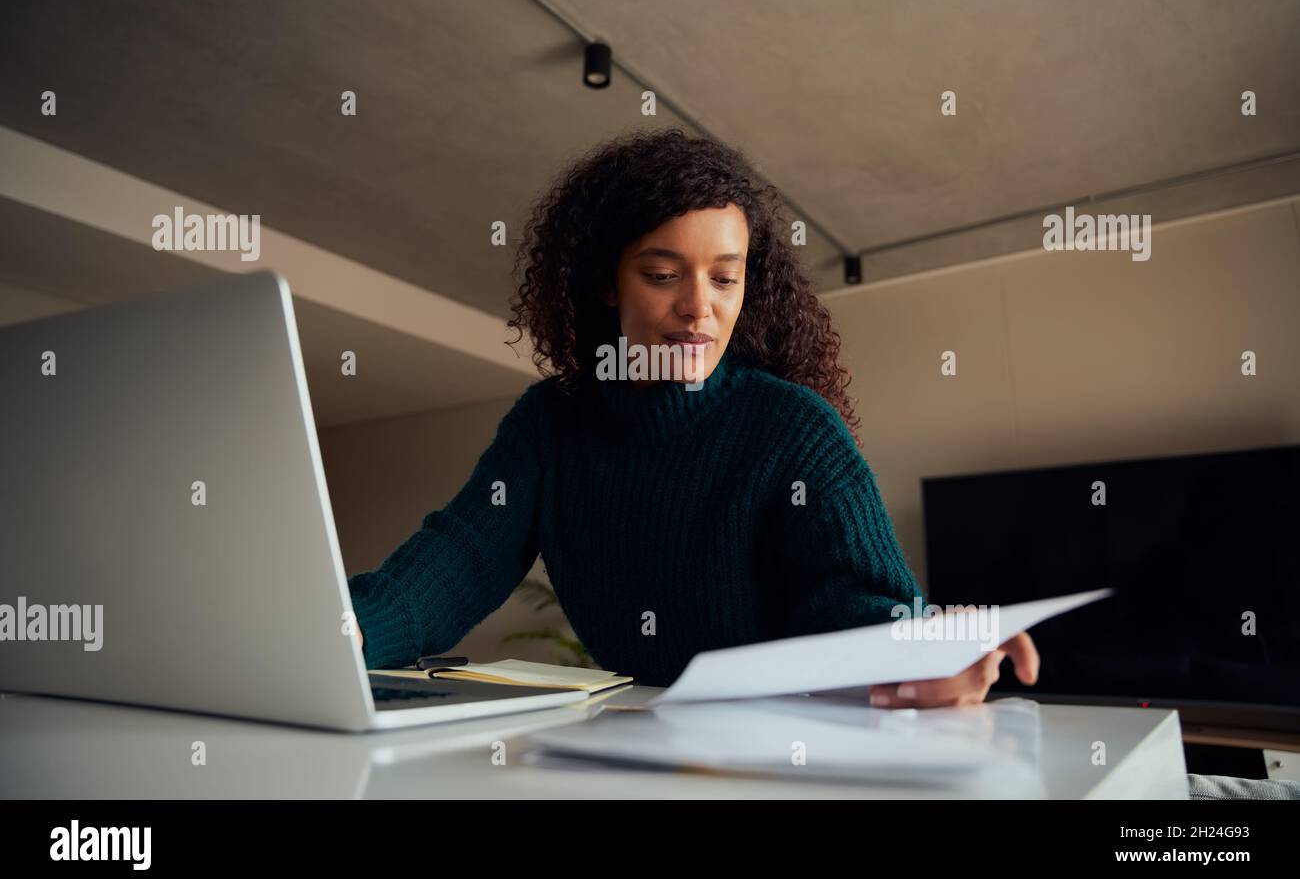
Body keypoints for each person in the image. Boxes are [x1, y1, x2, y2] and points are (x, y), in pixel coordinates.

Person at [347, 127, 1039, 706]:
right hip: (637, 748)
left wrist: (924, 650)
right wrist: (336, 632)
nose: (698, 307)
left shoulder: (794, 433)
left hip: (784, 761)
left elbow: (855, 600)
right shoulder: (550, 426)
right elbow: (454, 563)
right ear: (604, 282)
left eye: (724, 277)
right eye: (663, 274)